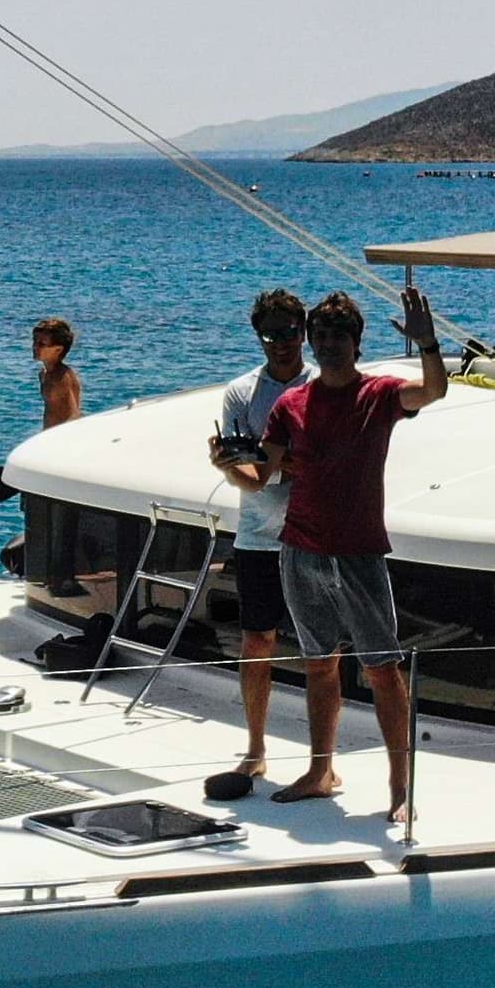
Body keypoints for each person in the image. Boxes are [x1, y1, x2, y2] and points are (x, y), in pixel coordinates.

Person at [261, 285, 449, 828]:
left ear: (357, 343)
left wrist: (428, 343)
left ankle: (400, 787)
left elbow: (433, 390)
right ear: (311, 342)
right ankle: (321, 772)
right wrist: (227, 462)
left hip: (360, 552)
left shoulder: (380, 394)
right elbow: (262, 472)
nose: (329, 344)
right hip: (301, 550)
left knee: (382, 669)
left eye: (339, 336)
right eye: (320, 336)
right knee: (319, 665)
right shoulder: (290, 404)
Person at [206, 288, 308, 784]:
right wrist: (232, 466)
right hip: (258, 538)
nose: (280, 342)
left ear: (303, 332)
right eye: (269, 335)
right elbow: (247, 475)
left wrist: (266, 464)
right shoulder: (241, 392)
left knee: (323, 651)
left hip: (313, 536)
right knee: (255, 642)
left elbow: (328, 465)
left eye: (288, 332)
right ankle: (255, 748)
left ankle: (322, 759)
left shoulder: (323, 385)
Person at [32, 316, 83, 427]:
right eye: (34, 341)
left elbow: (74, 415)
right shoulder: (44, 374)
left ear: (58, 349)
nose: (35, 346)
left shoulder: (61, 377)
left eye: (42, 344)